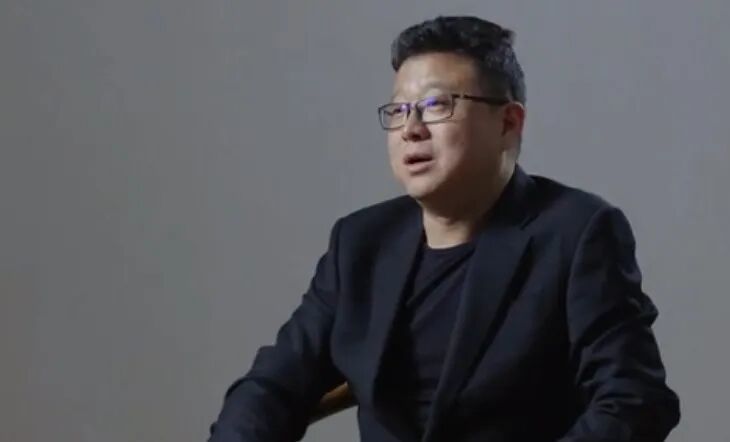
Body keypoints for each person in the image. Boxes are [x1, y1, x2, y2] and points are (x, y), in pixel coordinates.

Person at [208, 15, 680, 442]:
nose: (411, 129)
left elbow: (633, 402)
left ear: (508, 123)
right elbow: (273, 386)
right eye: (398, 110)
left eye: (436, 105)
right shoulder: (360, 243)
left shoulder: (576, 233)